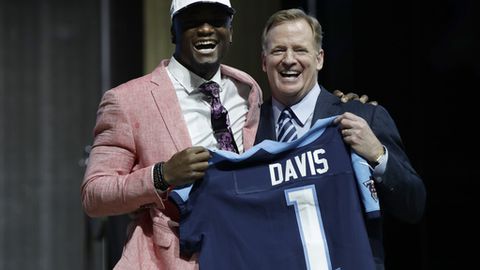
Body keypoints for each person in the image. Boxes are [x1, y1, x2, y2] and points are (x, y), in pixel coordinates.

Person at [81, 0, 263, 269]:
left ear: (230, 30)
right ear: (173, 31)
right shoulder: (127, 100)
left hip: (243, 252)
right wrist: (162, 175)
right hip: (169, 259)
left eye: (216, 20)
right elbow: (94, 195)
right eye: (192, 20)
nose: (205, 29)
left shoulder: (247, 90)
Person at [254, 8, 426, 269]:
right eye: (278, 50)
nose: (289, 59)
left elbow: (414, 205)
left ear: (319, 58)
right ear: (264, 61)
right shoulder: (246, 129)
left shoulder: (365, 117)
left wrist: (378, 156)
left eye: (300, 49)